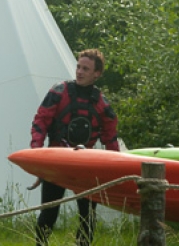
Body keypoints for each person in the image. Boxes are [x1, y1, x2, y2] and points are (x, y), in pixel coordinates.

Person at [30, 48, 120, 246]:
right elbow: (40, 122)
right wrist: (37, 156)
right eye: (78, 67)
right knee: (49, 212)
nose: (79, 71)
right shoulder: (58, 92)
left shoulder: (102, 104)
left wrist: (115, 170)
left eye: (85, 69)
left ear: (97, 74)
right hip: (57, 161)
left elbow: (110, 138)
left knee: (88, 214)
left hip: (85, 163)